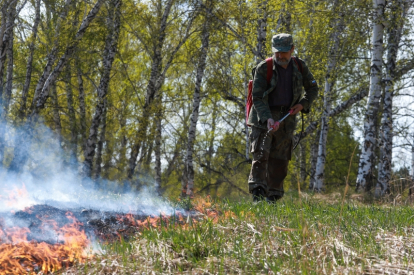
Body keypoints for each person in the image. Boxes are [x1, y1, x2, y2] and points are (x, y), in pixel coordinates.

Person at [247, 33, 319, 202]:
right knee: (261, 154)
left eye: (284, 52)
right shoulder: (264, 68)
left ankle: (273, 198)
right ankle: (258, 197)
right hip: (262, 116)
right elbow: (257, 97)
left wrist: (302, 105)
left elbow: (313, 89)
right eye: (277, 52)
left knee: (280, 159)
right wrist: (267, 118)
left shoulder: (300, 67)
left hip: (287, 117)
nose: (279, 55)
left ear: (292, 49)